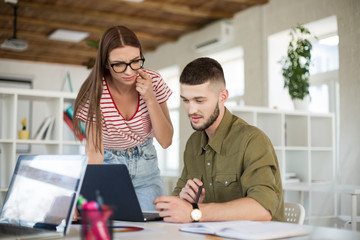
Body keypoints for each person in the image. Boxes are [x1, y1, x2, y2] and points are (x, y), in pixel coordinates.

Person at [154, 57, 285, 222]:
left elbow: (262, 209)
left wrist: (195, 211)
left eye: (199, 100)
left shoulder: (252, 140)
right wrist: (184, 199)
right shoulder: (194, 143)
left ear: (222, 97)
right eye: (186, 100)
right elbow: (175, 205)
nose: (191, 109)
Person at [73, 25, 173, 211]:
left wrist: (150, 97)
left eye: (135, 61)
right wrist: (84, 198)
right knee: (113, 228)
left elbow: (166, 140)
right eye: (119, 64)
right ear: (105, 63)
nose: (129, 71)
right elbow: (94, 151)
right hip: (109, 167)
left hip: (146, 167)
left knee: (154, 227)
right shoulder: (94, 92)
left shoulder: (154, 81)